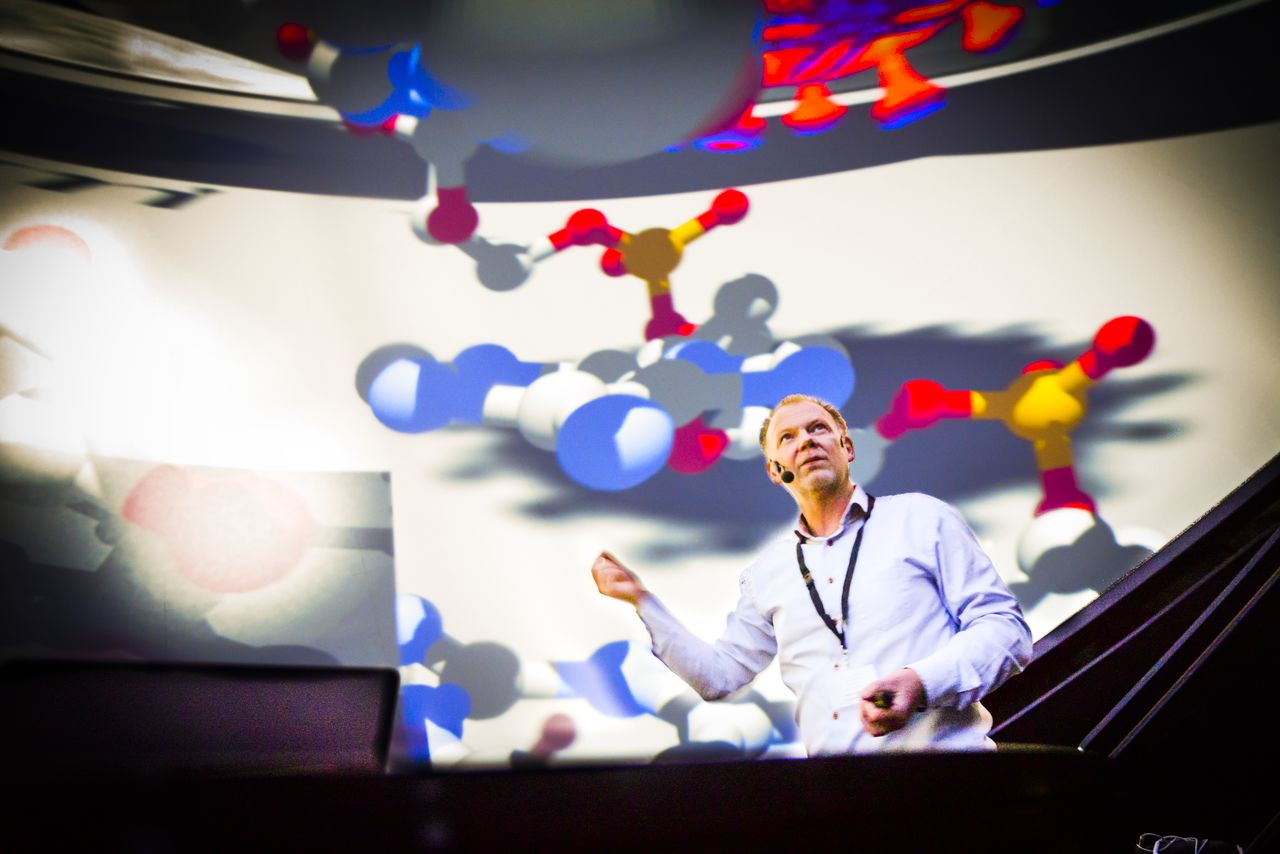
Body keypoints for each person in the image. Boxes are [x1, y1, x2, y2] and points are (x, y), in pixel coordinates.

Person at [591, 393, 1033, 755]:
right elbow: (720, 676)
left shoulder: (923, 518)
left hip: (953, 784)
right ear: (774, 471)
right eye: (788, 437)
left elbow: (1005, 631)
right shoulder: (767, 573)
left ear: (848, 447)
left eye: (818, 428)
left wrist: (921, 683)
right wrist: (641, 600)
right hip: (841, 807)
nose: (806, 441)